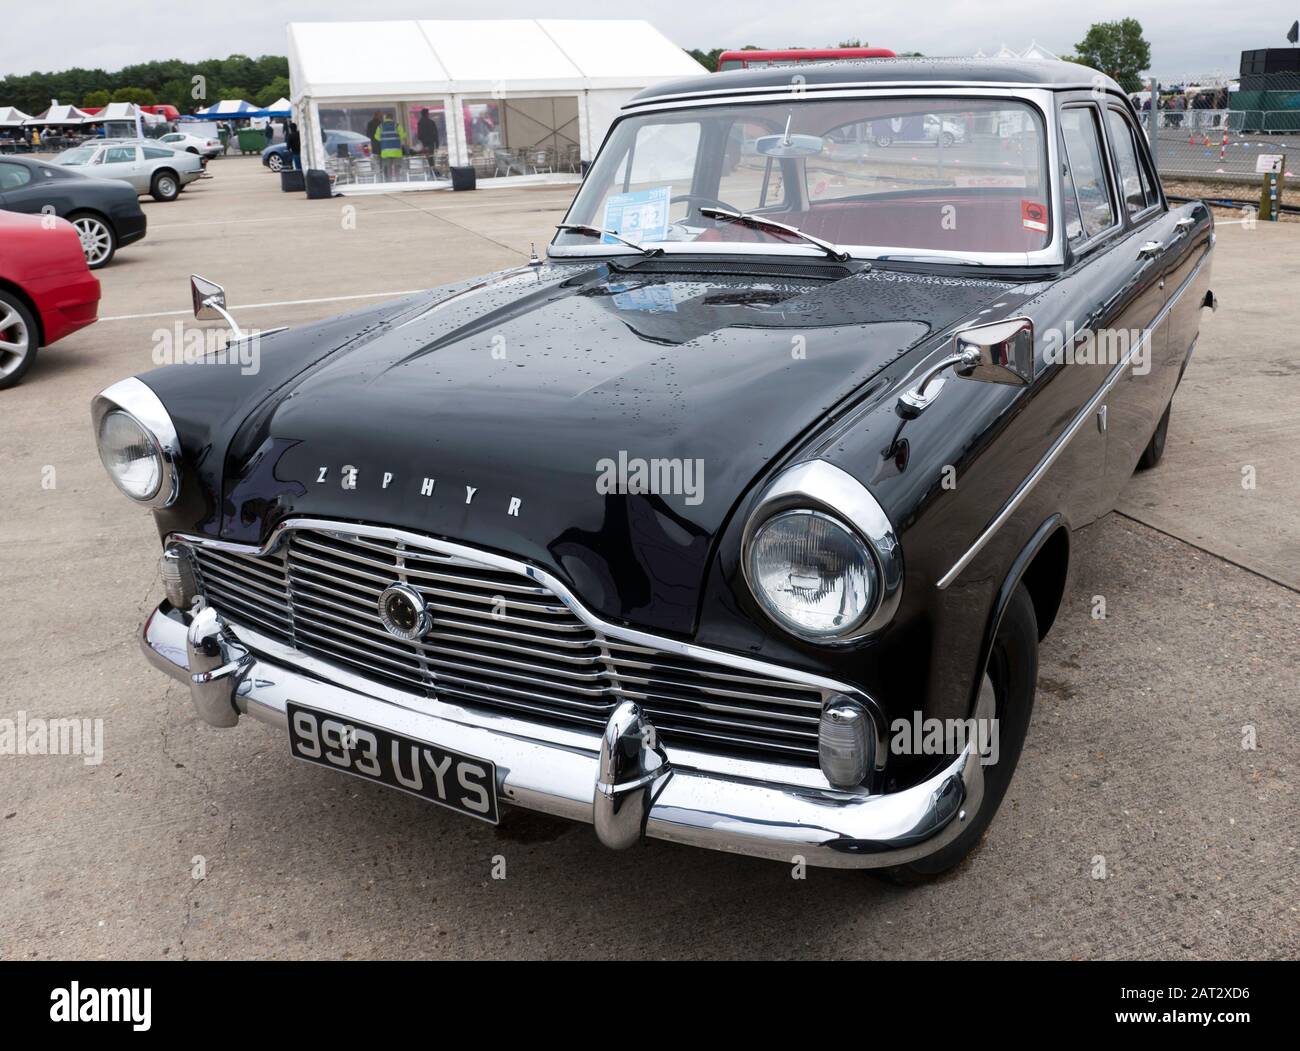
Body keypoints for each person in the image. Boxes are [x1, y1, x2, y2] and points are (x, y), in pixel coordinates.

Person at [372, 113, 407, 180]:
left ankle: (389, 181)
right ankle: (397, 180)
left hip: (385, 151)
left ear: (385, 118)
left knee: (388, 167)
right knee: (397, 167)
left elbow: (376, 137)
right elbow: (403, 136)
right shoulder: (397, 126)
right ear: (392, 118)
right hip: (396, 151)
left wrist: (383, 140)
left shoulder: (380, 126)